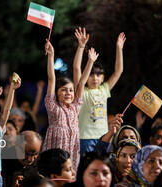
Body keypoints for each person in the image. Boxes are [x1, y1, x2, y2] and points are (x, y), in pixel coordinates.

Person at [42, 40, 98, 171]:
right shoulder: (52, 106)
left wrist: (90, 61)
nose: (68, 93)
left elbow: (82, 81)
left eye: (71, 90)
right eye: (63, 90)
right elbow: (51, 78)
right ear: (56, 92)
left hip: (72, 154)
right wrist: (51, 55)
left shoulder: (76, 106)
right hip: (55, 154)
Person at [73, 27, 126, 155]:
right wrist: (81, 46)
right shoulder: (81, 91)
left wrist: (119, 48)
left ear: (103, 78)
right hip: (85, 137)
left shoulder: (104, 90)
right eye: (91, 75)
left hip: (104, 135)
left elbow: (118, 71)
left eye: (98, 75)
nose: (95, 78)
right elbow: (76, 68)